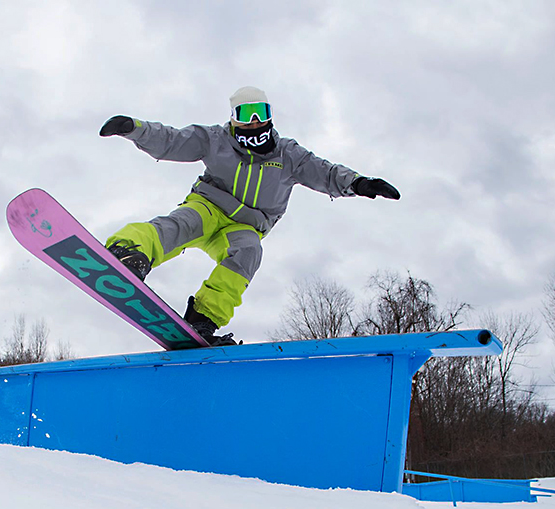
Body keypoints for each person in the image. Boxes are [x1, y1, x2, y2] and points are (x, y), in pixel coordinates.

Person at [99, 86, 400, 346]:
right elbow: (173, 140)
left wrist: (360, 183)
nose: (254, 121)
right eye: (246, 114)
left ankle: (203, 318)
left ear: (270, 115)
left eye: (260, 112)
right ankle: (129, 250)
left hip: (246, 226)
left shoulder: (288, 154)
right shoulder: (216, 139)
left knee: (248, 252)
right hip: (210, 206)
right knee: (183, 225)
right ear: (233, 117)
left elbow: (325, 172)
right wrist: (134, 128)